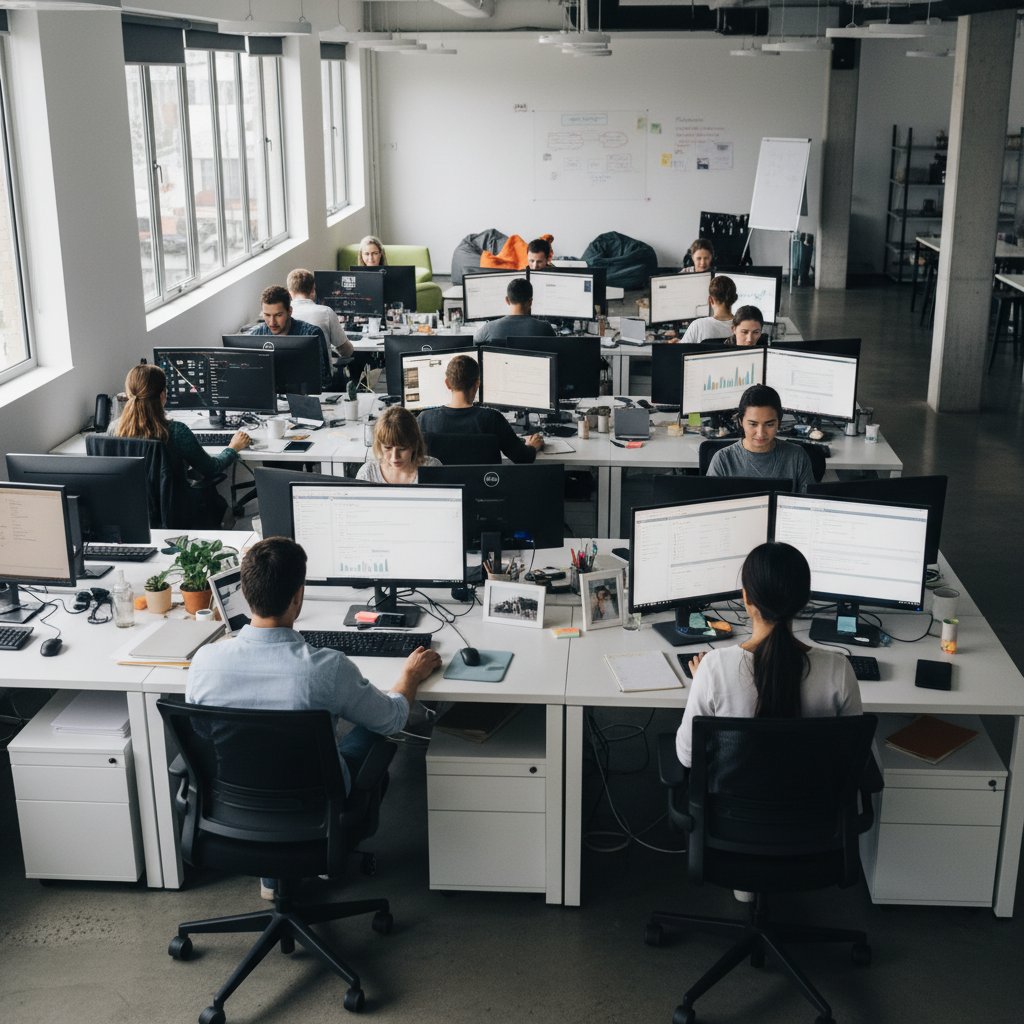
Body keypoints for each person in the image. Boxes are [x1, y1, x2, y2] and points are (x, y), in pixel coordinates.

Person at [187, 536, 442, 899]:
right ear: (298, 596)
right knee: (374, 732)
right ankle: (315, 857)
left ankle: (274, 875)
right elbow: (393, 719)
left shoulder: (205, 662)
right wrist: (410, 676)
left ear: (245, 594)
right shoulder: (325, 668)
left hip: (236, 805)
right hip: (316, 808)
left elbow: (203, 734)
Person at [675, 541, 862, 770]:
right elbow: (853, 754)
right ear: (805, 599)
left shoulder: (714, 668)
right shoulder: (839, 670)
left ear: (746, 598)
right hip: (813, 804)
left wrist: (702, 681)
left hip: (733, 803)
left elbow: (688, 757)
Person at [111, 365, 250, 520]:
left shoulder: (113, 429)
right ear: (163, 395)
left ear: (128, 393)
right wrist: (233, 447)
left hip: (131, 513)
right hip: (174, 510)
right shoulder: (176, 431)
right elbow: (211, 468)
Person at [415, 354, 542, 463]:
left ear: (447, 383)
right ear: (477, 384)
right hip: (484, 489)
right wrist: (533, 446)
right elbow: (523, 458)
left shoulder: (424, 419)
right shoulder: (492, 419)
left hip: (444, 490)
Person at [707, 384, 814, 492]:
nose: (760, 433)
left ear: (779, 423)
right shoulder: (722, 460)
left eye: (769, 424)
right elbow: (709, 506)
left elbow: (810, 505)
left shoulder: (797, 456)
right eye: (753, 424)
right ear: (740, 422)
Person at [248, 284, 331, 391]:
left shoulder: (310, 334)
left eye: (278, 315)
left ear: (289, 311)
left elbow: (322, 379)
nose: (272, 322)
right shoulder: (255, 335)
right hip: (266, 395)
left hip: (303, 397)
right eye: (267, 315)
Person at [357, 405, 441, 484]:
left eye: (402, 448)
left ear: (414, 444)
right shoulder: (367, 473)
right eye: (387, 447)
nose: (395, 457)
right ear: (379, 445)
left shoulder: (432, 468)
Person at [286, 267, 354, 362]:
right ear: (313, 291)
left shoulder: (283, 315)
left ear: (289, 293)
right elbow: (346, 351)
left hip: (289, 374)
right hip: (321, 375)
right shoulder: (326, 312)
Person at [474, 278, 556, 344]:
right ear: (530, 301)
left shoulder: (489, 328)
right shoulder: (545, 328)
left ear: (507, 300)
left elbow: (473, 343)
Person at [678, 275, 737, 344]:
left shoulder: (697, 326)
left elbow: (682, 351)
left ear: (710, 300)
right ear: (735, 299)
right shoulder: (743, 328)